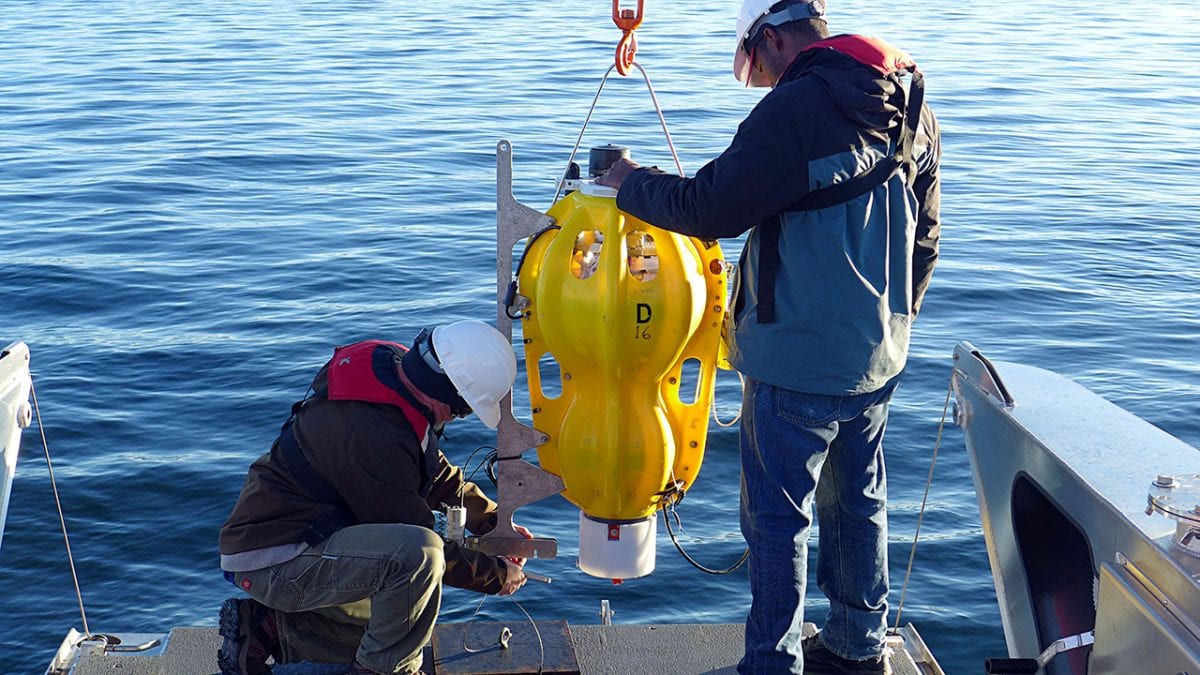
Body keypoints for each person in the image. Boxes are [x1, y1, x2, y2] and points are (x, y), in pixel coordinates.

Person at [597, 0, 940, 672]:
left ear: (772, 39)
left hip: (793, 360)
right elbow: (926, 234)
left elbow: (709, 208)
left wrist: (631, 181)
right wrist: (896, 321)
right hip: (877, 354)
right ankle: (856, 643)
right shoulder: (908, 99)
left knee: (779, 522)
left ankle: (772, 662)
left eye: (756, 67)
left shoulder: (796, 109)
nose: (762, 82)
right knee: (859, 503)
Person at [217, 320, 532, 675]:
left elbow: (430, 467)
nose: (458, 418)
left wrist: (491, 521)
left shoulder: (394, 369)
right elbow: (423, 544)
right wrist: (494, 575)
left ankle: (265, 627)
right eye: (461, 410)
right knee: (417, 561)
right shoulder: (373, 437)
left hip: (302, 535)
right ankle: (384, 671)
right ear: (445, 392)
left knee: (395, 614)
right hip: (274, 560)